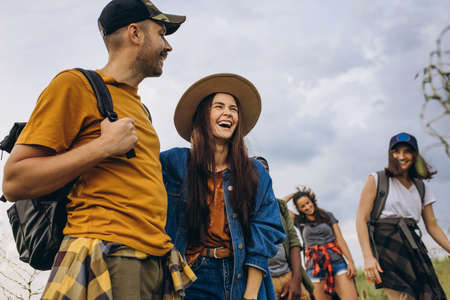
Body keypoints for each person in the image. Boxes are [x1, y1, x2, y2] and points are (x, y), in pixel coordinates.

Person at [2, 1, 187, 299]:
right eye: (161, 33)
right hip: (111, 256)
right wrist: (103, 147)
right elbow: (13, 182)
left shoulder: (140, 109)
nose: (168, 46)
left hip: (155, 260)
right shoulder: (75, 85)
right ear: (135, 33)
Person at [160, 73, 286, 300]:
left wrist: (250, 295)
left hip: (243, 275)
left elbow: (266, 230)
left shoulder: (255, 172)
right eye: (218, 106)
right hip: (189, 275)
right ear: (202, 116)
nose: (227, 112)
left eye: (233, 109)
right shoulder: (173, 163)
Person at [356, 132, 449, 300]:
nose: (401, 156)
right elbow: (361, 219)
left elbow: (432, 226)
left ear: (415, 155)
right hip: (387, 245)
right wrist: (368, 257)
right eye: (396, 152)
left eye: (407, 151)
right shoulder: (377, 179)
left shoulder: (422, 187)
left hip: (413, 246)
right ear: (390, 154)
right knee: (404, 298)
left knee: (430, 296)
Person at [253, 156, 314, 300]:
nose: (261, 173)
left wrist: (296, 280)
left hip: (288, 276)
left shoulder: (279, 206)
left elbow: (293, 241)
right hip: (263, 281)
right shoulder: (242, 209)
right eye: (255, 170)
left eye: (265, 169)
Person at [283, 187, 358, 300]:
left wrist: (350, 262)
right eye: (302, 206)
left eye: (308, 203)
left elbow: (340, 240)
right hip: (315, 268)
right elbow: (280, 205)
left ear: (312, 200)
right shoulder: (299, 221)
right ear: (299, 209)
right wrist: (295, 194)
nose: (307, 207)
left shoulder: (328, 216)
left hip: (337, 263)